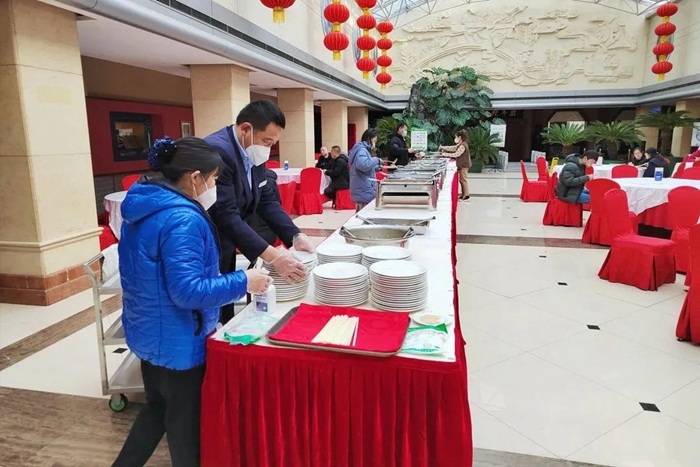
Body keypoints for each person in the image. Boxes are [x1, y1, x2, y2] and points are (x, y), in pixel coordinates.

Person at [113, 137, 273, 467]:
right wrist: (245, 281)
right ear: (195, 177)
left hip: (149, 332)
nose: (214, 186)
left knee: (157, 408)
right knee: (185, 429)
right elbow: (187, 291)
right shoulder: (182, 219)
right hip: (180, 342)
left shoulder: (143, 206)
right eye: (213, 179)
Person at [204, 100, 316, 323]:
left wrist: (294, 235)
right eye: (267, 141)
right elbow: (225, 214)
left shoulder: (253, 152)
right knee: (213, 303)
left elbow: (266, 200)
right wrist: (274, 256)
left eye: (273, 144)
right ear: (246, 129)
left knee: (227, 300)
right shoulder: (219, 151)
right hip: (211, 238)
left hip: (230, 235)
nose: (268, 149)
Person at [349, 128, 382, 211]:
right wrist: (376, 159)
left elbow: (365, 166)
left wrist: (378, 167)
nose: (375, 143)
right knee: (364, 212)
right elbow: (363, 166)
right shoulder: (362, 151)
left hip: (362, 187)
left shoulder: (362, 150)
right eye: (374, 141)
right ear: (369, 139)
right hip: (363, 188)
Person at [440, 129, 472, 200]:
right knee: (461, 180)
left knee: (463, 180)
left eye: (456, 137)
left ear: (460, 137)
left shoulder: (463, 145)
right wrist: (443, 147)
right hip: (462, 165)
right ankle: (463, 194)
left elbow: (456, 154)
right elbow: (453, 148)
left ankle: (466, 195)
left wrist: (445, 154)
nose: (455, 138)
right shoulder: (461, 144)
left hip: (464, 165)